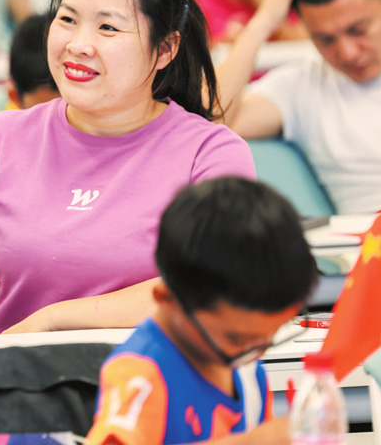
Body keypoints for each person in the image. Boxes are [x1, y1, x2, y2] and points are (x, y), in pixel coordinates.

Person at [0, 0, 256, 337]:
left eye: (108, 27)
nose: (77, 45)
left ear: (165, 49)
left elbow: (212, 286)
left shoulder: (211, 154)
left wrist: (55, 319)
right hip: (7, 370)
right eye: (67, 19)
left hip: (145, 372)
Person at [84, 177, 316, 445]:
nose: (256, 352)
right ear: (167, 299)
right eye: (236, 338)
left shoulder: (245, 367)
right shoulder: (140, 374)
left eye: (269, 337)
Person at [219, 0, 381, 215]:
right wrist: (265, 18)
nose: (348, 54)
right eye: (325, 40)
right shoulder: (302, 86)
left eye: (358, 30)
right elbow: (210, 121)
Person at [7, 12, 59, 109]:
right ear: (14, 97)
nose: (50, 115)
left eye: (66, 113)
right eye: (38, 114)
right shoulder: (5, 116)